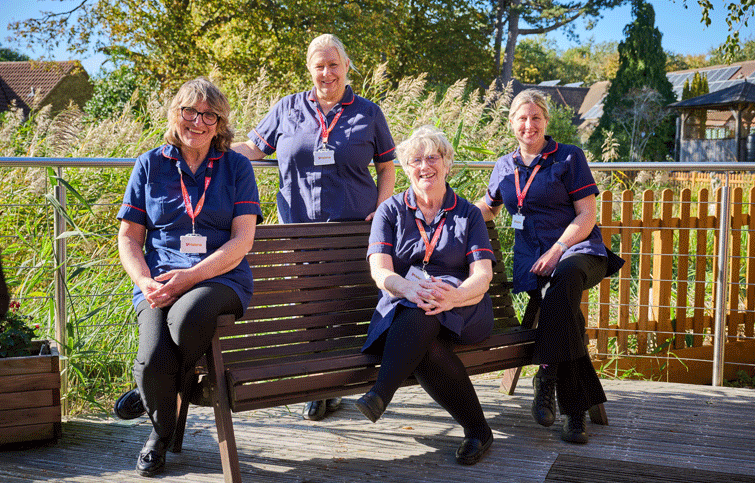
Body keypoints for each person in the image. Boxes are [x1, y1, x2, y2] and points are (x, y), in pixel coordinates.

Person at [232, 33, 396, 421]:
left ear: (346, 67)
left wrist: (382, 206)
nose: (327, 73)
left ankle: (339, 382)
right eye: (319, 65)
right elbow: (254, 149)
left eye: (334, 65)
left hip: (353, 229)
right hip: (300, 229)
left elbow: (387, 166)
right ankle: (319, 386)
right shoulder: (287, 109)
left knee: (345, 306)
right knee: (309, 307)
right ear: (309, 69)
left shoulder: (369, 113)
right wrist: (213, 148)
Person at [113, 77, 263, 477]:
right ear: (175, 114)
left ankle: (157, 435)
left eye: (208, 115)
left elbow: (242, 240)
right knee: (150, 361)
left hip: (221, 278)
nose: (198, 121)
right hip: (158, 283)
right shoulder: (149, 165)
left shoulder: (236, 166)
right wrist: (145, 282)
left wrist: (191, 276)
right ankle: (155, 390)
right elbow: (129, 236)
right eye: (189, 112)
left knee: (189, 317)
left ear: (220, 123)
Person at [475, 88, 623, 444]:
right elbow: (489, 207)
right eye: (522, 118)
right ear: (512, 123)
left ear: (546, 121)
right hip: (534, 261)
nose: (529, 125)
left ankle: (546, 377)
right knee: (564, 310)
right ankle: (573, 410)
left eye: (536, 118)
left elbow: (587, 214)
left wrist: (560, 248)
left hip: (579, 251)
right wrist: (447, 211)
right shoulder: (504, 166)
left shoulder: (569, 157)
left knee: (566, 276)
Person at [354, 125, 495, 465]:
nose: (424, 166)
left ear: (447, 163)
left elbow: (483, 275)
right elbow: (380, 270)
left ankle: (379, 394)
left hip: (464, 308)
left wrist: (455, 297)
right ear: (405, 168)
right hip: (406, 306)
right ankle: (478, 431)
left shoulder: (468, 213)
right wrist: (407, 287)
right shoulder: (390, 210)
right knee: (425, 331)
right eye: (415, 160)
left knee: (427, 307)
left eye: (432, 157)